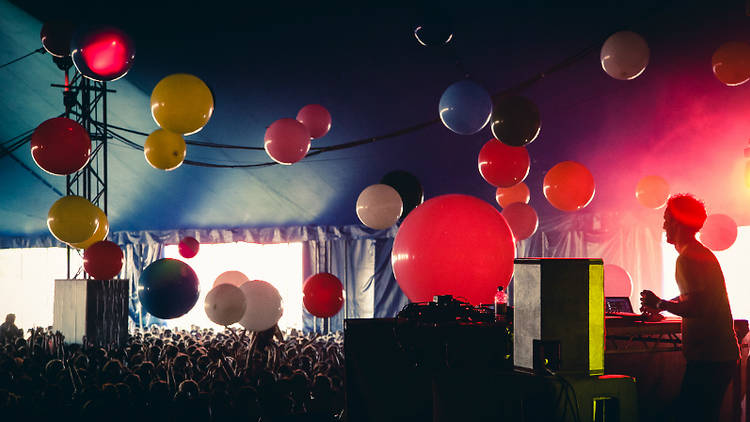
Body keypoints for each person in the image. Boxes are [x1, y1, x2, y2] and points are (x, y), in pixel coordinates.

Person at [640, 194, 739, 422]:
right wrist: (663, 306)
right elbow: (694, 297)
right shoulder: (698, 253)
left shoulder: (687, 259)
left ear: (678, 222)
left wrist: (659, 304)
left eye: (667, 218)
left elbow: (697, 306)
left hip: (710, 357)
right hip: (717, 356)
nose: (664, 225)